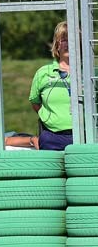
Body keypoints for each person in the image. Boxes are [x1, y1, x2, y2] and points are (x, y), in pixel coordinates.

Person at [30, 21, 73, 151]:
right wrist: (50, 119)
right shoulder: (43, 73)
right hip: (51, 138)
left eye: (73, 39)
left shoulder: (89, 74)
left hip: (84, 136)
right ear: (57, 45)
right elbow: (35, 102)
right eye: (64, 39)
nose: (68, 44)